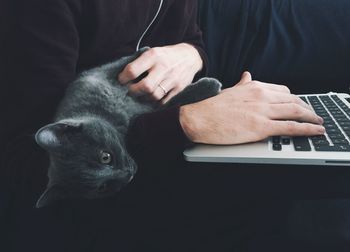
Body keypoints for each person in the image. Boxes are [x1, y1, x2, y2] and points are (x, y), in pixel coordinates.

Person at [0, 0, 325, 251]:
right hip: (92, 201)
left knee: (295, 185)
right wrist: (186, 123)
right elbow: (25, 170)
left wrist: (191, 54)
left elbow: (192, 39)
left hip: (159, 146)